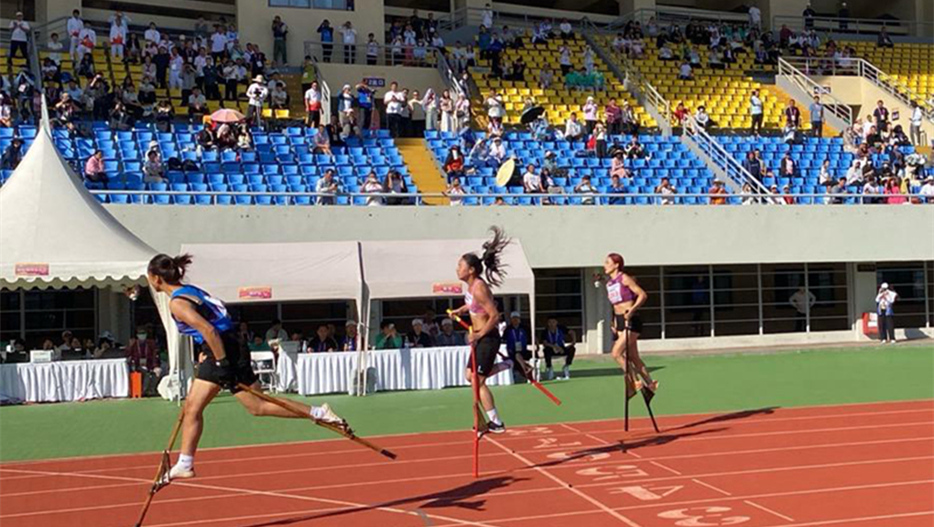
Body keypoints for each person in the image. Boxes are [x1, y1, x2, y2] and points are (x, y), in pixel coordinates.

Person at [145, 254, 347, 481]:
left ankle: (185, 463)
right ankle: (319, 413)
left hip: (223, 350)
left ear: (155, 278)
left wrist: (220, 361)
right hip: (229, 345)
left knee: (192, 407)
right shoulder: (190, 291)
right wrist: (207, 349)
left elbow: (209, 329)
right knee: (257, 406)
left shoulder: (177, 303)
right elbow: (216, 320)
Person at [448, 227, 511, 435]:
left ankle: (496, 421)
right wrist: (460, 310)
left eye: (460, 266)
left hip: (487, 336)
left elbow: (494, 315)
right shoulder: (471, 288)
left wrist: (478, 334)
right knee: (469, 376)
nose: (457, 269)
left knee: (477, 380)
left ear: (471, 270)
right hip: (478, 337)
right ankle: (507, 364)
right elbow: (474, 305)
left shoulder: (479, 287)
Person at [596, 253, 658, 394]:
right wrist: (614, 322)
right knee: (634, 357)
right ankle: (650, 382)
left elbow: (642, 294)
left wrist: (632, 310)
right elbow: (615, 303)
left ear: (616, 264)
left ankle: (635, 381)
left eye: (607, 262)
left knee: (616, 353)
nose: (604, 265)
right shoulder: (610, 283)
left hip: (630, 318)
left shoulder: (624, 278)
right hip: (619, 321)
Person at [503, 312, 532, 382]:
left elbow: (532, 337)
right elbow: (503, 340)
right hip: (512, 351)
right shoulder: (508, 329)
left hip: (523, 349)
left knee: (518, 355)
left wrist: (536, 345)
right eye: (513, 318)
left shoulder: (524, 328)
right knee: (516, 355)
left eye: (517, 318)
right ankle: (526, 368)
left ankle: (526, 370)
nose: (515, 320)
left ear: (519, 319)